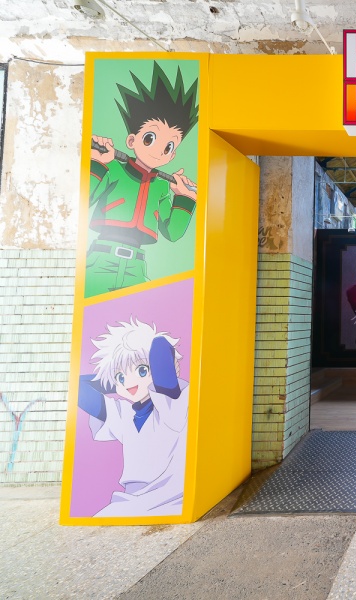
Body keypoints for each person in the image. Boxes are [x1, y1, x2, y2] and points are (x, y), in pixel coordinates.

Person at [87, 61, 200, 297]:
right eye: (150, 138)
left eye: (168, 147)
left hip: (137, 267)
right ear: (131, 141)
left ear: (172, 155)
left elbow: (172, 233)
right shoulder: (113, 169)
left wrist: (185, 198)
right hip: (101, 260)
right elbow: (86, 199)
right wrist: (97, 162)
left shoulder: (162, 187)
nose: (159, 151)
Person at [77, 317, 188, 517]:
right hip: (130, 498)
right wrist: (116, 380)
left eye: (142, 370)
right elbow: (80, 388)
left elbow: (160, 349)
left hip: (168, 497)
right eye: (121, 377)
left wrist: (141, 344)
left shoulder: (171, 405)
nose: (130, 382)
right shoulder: (123, 413)